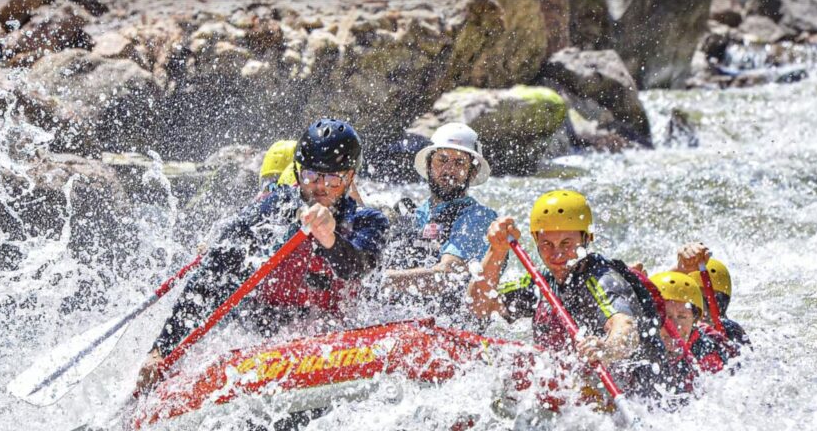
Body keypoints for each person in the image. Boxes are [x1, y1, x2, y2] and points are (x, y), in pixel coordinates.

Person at [137, 118, 390, 391]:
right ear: (297, 171)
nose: (320, 188)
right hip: (259, 328)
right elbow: (212, 277)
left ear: (349, 177)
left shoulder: (369, 221)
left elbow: (359, 266)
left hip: (332, 336)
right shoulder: (272, 210)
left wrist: (329, 238)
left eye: (332, 179)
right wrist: (161, 349)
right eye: (310, 177)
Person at [468, 189, 670, 403]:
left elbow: (626, 328)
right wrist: (496, 250)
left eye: (566, 243)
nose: (556, 254)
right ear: (535, 240)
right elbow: (480, 305)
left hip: (639, 398)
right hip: (577, 396)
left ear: (587, 238)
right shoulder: (542, 282)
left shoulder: (601, 279)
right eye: (546, 244)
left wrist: (606, 349)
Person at [381, 123, 497, 320]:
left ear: (473, 171)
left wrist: (381, 280)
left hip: (453, 329)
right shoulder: (412, 214)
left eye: (459, 163)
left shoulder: (480, 218)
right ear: (428, 164)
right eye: (442, 160)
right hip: (401, 321)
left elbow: (446, 276)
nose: (449, 169)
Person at [649, 271, 729, 389]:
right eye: (667, 317)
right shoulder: (637, 342)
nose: (675, 327)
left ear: (694, 320)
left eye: (682, 317)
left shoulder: (707, 353)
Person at [676, 243, 750, 353]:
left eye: (717, 301)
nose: (706, 310)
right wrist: (679, 269)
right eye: (699, 301)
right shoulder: (672, 331)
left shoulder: (732, 332)